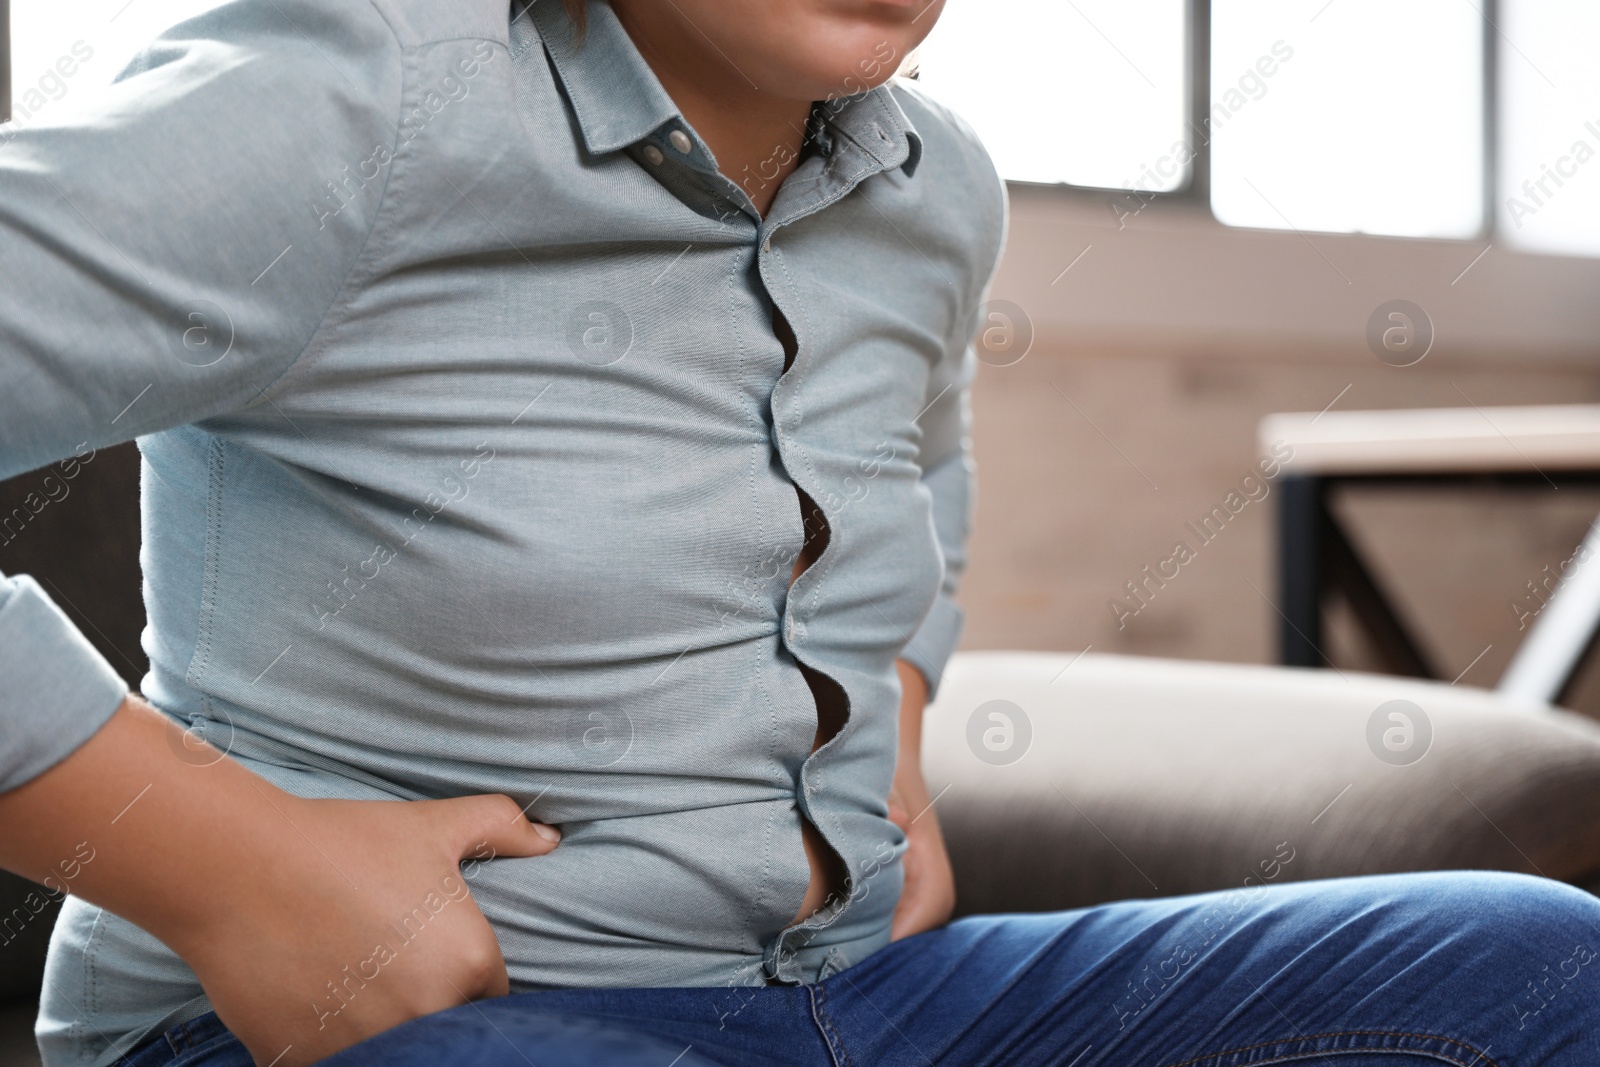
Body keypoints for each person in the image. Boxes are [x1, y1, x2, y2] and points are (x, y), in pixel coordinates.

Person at [0, 0, 1596, 1064]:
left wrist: (892, 702)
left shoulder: (935, 183)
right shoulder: (349, 102)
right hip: (401, 1018)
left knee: (1538, 964)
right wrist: (226, 868)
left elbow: (924, 452)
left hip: (857, 996)